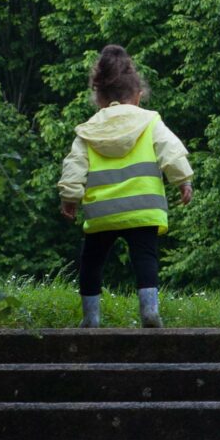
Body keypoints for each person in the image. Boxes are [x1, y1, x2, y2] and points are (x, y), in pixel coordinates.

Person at [57, 44, 194, 328]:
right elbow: (171, 150)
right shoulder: (150, 121)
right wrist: (183, 181)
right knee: (145, 258)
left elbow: (73, 167)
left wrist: (70, 198)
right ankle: (149, 312)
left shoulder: (88, 130)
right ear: (138, 95)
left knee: (92, 262)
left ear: (98, 98)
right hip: (143, 207)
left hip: (102, 211)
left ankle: (91, 319)